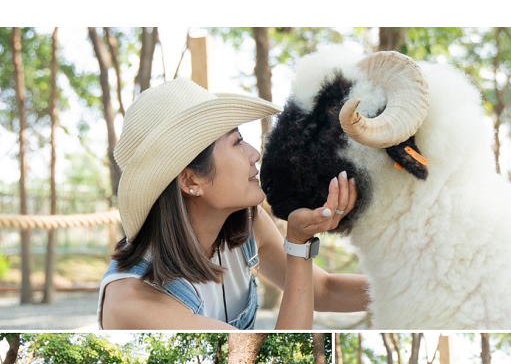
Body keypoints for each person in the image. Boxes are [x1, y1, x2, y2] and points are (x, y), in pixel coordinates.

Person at [98, 78, 368, 329]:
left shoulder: (246, 224)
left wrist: (407, 288)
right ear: (191, 179)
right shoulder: (133, 303)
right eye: (237, 142)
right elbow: (253, 358)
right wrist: (299, 243)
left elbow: (322, 290)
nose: (254, 153)